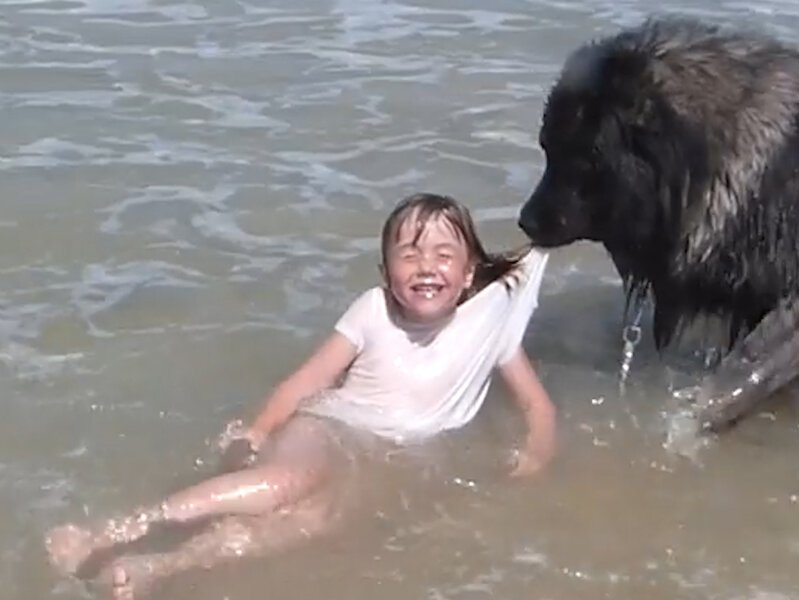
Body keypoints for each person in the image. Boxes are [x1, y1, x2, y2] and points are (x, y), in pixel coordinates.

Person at [44, 192, 557, 599]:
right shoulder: (374, 311)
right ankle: (114, 531)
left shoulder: (491, 331)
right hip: (328, 427)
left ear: (468, 275)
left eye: (444, 255)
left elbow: (537, 405)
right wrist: (261, 428)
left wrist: (534, 454)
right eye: (410, 254)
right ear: (386, 273)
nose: (427, 266)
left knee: (310, 522)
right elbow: (306, 381)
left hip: (385, 455)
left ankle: (156, 567)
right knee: (290, 481)